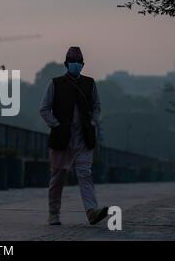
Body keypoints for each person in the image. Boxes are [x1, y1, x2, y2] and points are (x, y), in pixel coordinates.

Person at [39, 46, 109, 226]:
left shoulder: (89, 83)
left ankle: (92, 211)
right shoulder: (55, 84)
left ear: (82, 65)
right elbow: (44, 109)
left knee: (85, 174)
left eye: (78, 62)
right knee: (58, 177)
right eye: (72, 62)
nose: (75, 65)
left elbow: (97, 106)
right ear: (66, 64)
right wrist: (56, 125)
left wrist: (93, 121)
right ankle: (53, 213)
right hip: (62, 140)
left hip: (84, 139)